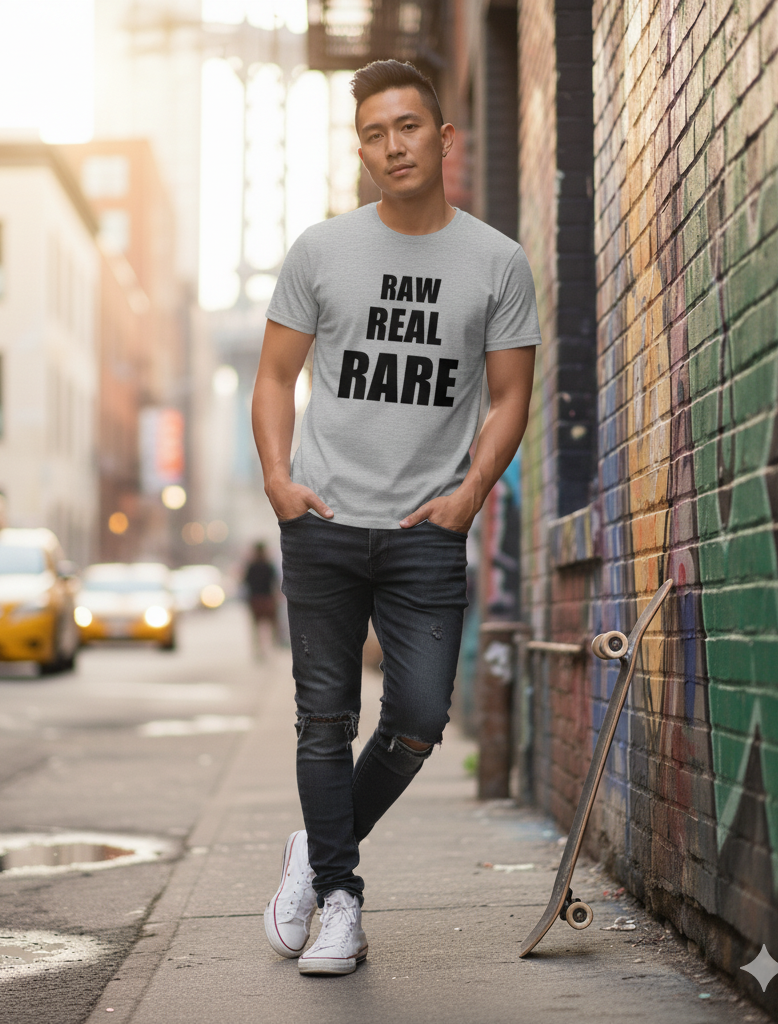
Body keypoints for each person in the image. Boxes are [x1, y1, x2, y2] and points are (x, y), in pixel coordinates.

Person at [252, 59, 540, 976]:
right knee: (322, 720)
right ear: (362, 147)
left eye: (408, 127)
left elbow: (508, 397)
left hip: (427, 529)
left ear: (444, 137)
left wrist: (470, 493)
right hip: (327, 521)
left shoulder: (496, 261)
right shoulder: (320, 252)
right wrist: (276, 478)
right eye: (374, 133)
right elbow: (272, 377)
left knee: (417, 718)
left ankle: (315, 849)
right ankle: (340, 899)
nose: (392, 146)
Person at [244, 541, 279, 659]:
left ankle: (259, 649)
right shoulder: (268, 565)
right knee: (272, 624)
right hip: (267, 598)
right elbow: (275, 581)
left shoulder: (251, 566)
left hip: (255, 599)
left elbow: (246, 582)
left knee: (256, 626)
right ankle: (272, 644)